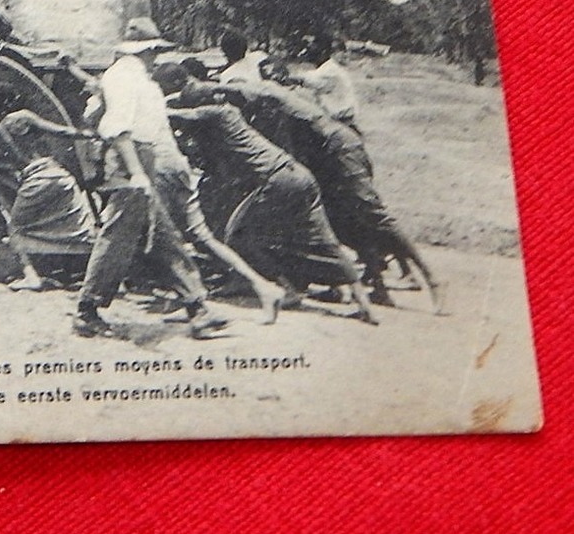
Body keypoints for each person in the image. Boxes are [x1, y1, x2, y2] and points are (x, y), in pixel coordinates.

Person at [156, 63, 378, 324]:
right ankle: (364, 305)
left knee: (237, 236)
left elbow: (181, 115)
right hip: (299, 175)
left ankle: (281, 288)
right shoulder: (229, 112)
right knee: (327, 243)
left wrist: (153, 104)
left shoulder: (214, 113)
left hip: (277, 180)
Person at [232, 60, 443, 311]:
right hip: (329, 158)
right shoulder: (282, 104)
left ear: (282, 77)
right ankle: (374, 287)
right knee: (345, 222)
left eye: (273, 76)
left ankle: (431, 278)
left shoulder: (286, 97)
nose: (270, 81)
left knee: (373, 215)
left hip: (339, 149)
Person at [72, 18, 233, 340]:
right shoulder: (123, 77)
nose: (155, 57)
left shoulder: (134, 77)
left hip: (143, 157)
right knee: (118, 234)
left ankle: (197, 306)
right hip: (129, 159)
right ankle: (87, 309)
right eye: (153, 51)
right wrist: (135, 173)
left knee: (163, 234)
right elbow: (118, 128)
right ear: (144, 50)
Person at [0, 48, 97, 291]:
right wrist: (89, 134)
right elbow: (62, 131)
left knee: (17, 230)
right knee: (78, 226)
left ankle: (32, 276)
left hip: (34, 180)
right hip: (59, 175)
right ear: (12, 101)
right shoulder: (26, 117)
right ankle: (94, 271)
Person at [289, 33, 360, 128]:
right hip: (344, 112)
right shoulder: (331, 67)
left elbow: (310, 80)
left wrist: (293, 78)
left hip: (340, 115)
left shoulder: (330, 68)